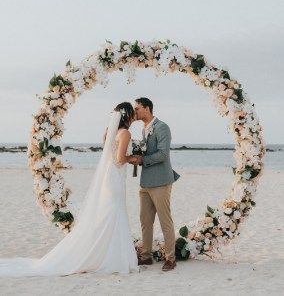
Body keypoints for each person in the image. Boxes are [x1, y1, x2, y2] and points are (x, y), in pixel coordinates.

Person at [0, 102, 139, 277]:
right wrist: (135, 158)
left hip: (108, 180)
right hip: (115, 179)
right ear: (127, 116)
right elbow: (119, 160)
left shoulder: (108, 133)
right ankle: (110, 257)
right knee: (114, 215)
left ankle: (105, 254)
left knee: (108, 216)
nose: (135, 116)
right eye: (133, 113)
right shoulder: (125, 133)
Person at [127, 97, 180, 272]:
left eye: (137, 108)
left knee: (165, 220)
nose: (135, 112)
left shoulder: (162, 127)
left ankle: (170, 259)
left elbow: (163, 154)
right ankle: (146, 256)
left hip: (161, 181)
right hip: (146, 182)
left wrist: (142, 159)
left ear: (147, 109)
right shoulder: (144, 129)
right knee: (145, 220)